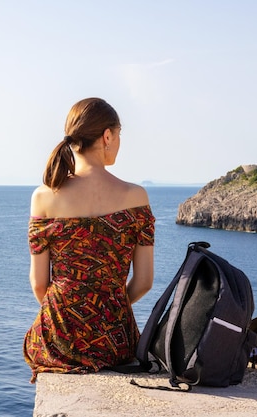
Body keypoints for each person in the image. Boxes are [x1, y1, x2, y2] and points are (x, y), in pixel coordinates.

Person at [23, 97, 155, 383]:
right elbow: (144, 281)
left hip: (60, 340)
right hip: (115, 341)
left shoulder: (44, 196)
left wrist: (71, 319)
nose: (118, 143)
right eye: (119, 135)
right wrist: (107, 312)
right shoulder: (136, 198)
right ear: (107, 136)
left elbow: (39, 284)